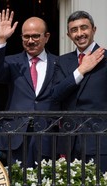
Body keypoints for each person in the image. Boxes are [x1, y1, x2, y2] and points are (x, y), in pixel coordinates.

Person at [0, 9, 59, 167]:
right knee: (18, 184)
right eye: (26, 36)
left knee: (47, 185)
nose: (31, 41)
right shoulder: (12, 62)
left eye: (36, 36)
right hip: (17, 134)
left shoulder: (58, 63)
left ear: (46, 37)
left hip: (48, 135)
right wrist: (1, 39)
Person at [51, 11, 107, 171]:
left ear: (94, 30)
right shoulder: (62, 61)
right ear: (69, 35)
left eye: (84, 28)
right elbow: (56, 94)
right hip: (69, 143)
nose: (80, 33)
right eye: (74, 30)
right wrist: (81, 70)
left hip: (100, 141)